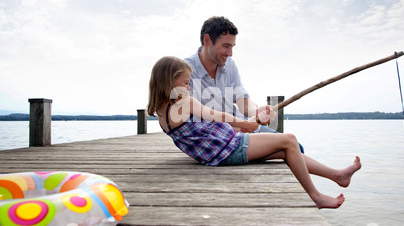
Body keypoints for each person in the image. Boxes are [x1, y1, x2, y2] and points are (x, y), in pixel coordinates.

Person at [146, 56, 362, 209]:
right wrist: (247, 125)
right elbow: (215, 115)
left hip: (218, 149)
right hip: (228, 149)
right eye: (185, 82)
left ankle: (337, 175)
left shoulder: (162, 111)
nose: (188, 87)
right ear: (170, 80)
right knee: (289, 140)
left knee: (287, 152)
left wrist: (245, 123)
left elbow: (200, 130)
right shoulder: (185, 102)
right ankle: (315, 196)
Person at [184, 16, 305, 153]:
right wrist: (237, 125)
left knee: (297, 148)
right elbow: (191, 118)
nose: (230, 53)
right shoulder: (184, 70)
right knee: (287, 149)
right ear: (207, 40)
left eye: (232, 47)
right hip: (217, 138)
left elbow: (242, 101)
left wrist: (257, 113)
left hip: (245, 129)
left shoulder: (229, 64)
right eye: (226, 46)